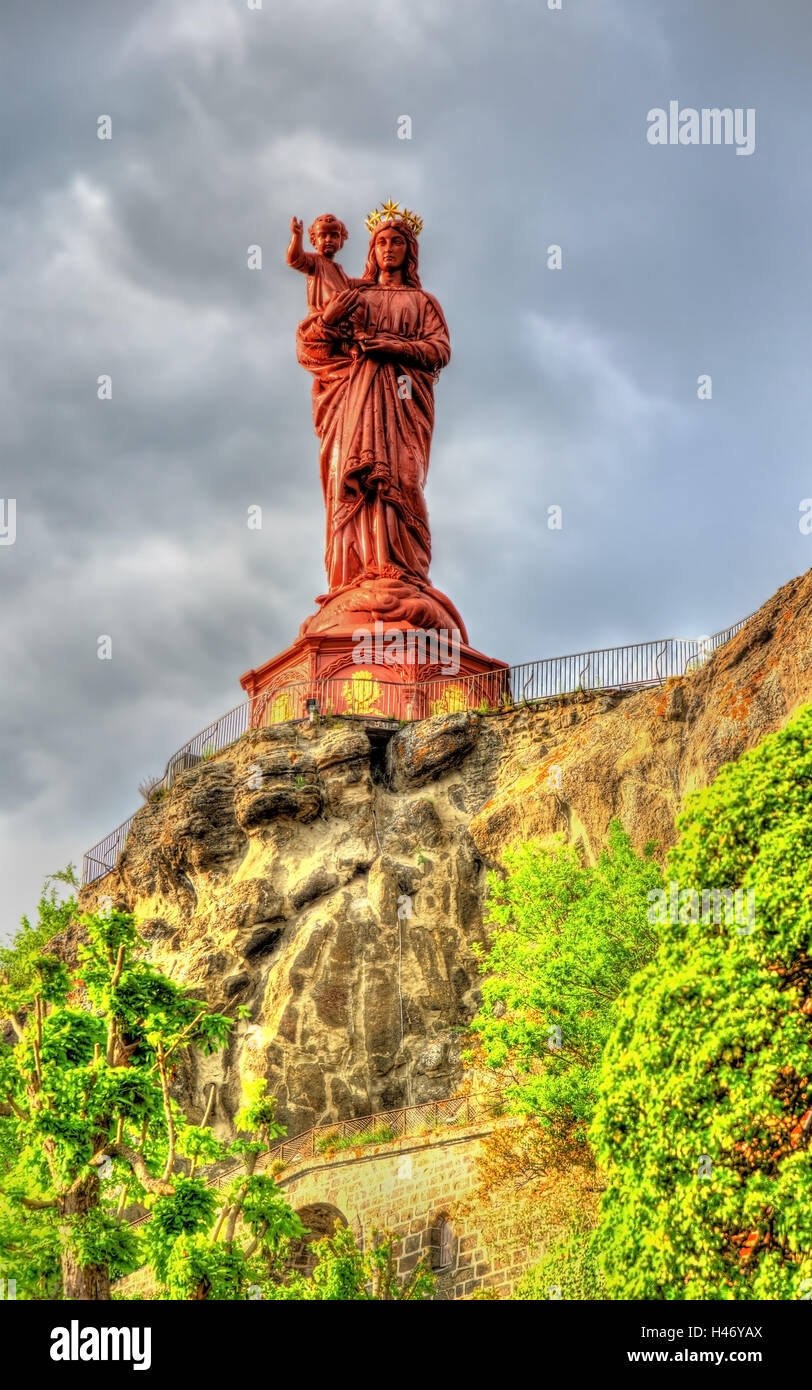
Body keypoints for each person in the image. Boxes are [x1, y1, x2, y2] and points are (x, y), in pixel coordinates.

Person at [295, 215, 465, 644]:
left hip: (405, 402)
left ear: (410, 251)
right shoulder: (356, 295)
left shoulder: (423, 303)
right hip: (357, 401)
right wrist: (329, 318)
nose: (388, 249)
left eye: (397, 242)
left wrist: (391, 346)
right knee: (357, 481)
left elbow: (439, 350)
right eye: (381, 242)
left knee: (403, 477)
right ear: (372, 251)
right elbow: (315, 344)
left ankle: (402, 570)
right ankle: (362, 574)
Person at [286, 213, 363, 313]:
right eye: (323, 235)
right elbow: (295, 259)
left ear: (341, 240)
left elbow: (350, 283)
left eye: (334, 236)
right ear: (314, 240)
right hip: (326, 312)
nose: (328, 240)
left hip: (343, 313)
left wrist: (371, 280)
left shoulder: (337, 268)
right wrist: (297, 236)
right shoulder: (315, 261)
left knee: (362, 303)